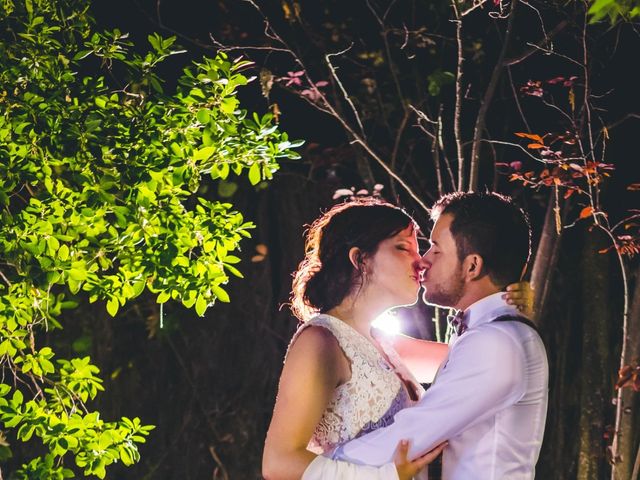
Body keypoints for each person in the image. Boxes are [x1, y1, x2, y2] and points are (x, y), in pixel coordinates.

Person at [263, 196, 536, 480]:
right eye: (404, 248)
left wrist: (504, 306)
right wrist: (385, 476)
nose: (420, 262)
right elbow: (278, 463)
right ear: (360, 259)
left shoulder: (389, 344)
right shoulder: (320, 341)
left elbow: (477, 361)